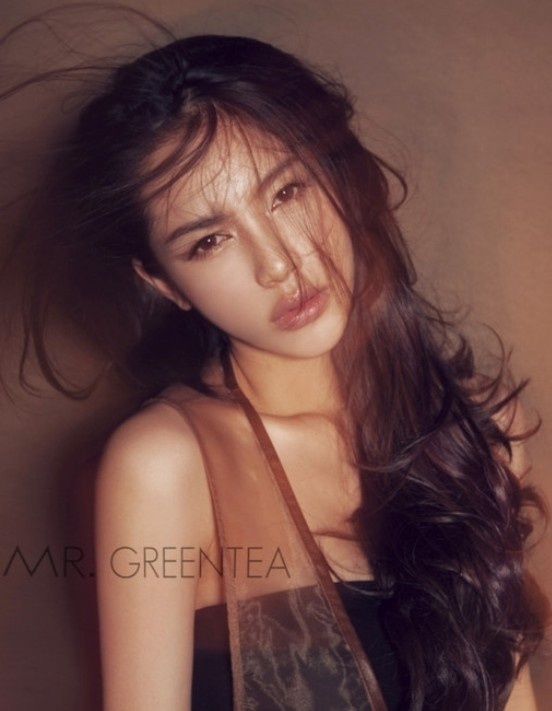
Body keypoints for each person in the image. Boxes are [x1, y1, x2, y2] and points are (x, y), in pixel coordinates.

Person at [5, 30, 548, 711]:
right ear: (165, 283)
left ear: (340, 175)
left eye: (286, 192)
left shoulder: (481, 426)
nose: (277, 263)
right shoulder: (165, 466)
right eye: (210, 240)